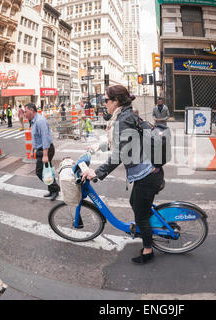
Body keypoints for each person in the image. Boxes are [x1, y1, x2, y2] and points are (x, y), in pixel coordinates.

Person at [81, 85, 164, 265]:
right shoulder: (127, 114)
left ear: (116, 101)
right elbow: (123, 143)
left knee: (140, 216)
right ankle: (147, 226)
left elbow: (120, 154)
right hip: (148, 171)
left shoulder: (122, 120)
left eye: (106, 100)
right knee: (135, 203)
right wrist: (99, 146)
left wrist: (97, 171)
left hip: (147, 175)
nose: (105, 104)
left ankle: (148, 250)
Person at [24, 103, 60, 201]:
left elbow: (45, 138)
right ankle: (52, 190)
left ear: (31, 110)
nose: (25, 114)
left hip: (47, 149)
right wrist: (32, 150)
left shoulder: (40, 121)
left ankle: (55, 189)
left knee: (40, 172)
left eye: (26, 111)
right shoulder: (33, 121)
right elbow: (35, 137)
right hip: (41, 149)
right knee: (45, 171)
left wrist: (45, 155)